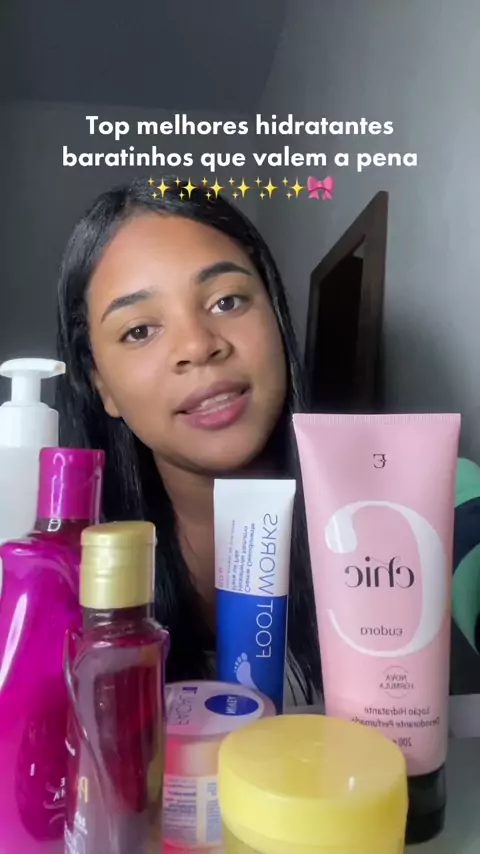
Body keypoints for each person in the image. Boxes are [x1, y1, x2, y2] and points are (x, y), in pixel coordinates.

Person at [56, 177, 321, 705]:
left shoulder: (410, 503)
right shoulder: (64, 578)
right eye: (139, 330)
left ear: (276, 315)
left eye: (226, 301)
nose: (198, 346)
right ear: (101, 383)